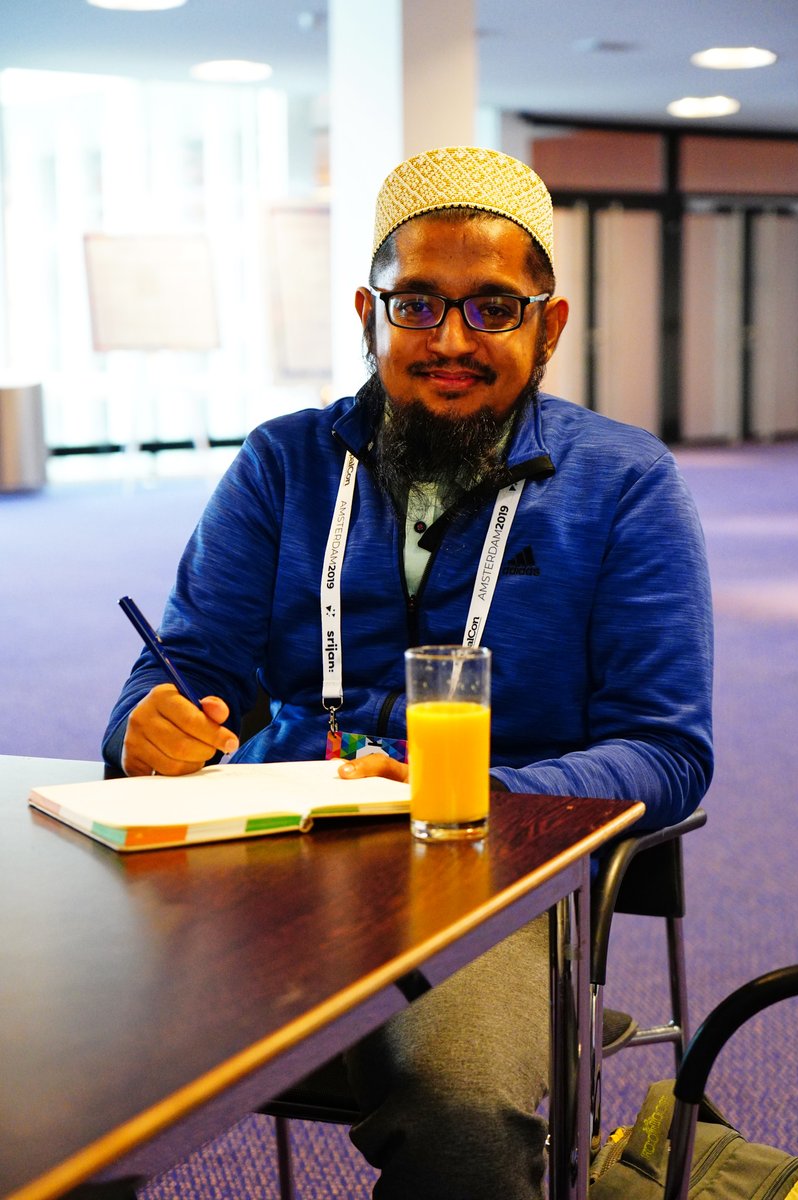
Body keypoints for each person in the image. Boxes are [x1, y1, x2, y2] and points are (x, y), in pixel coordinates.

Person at [103, 145, 713, 1198]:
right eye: (417, 305)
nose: (448, 341)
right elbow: (189, 661)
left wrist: (488, 792)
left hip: (496, 879)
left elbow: (664, 749)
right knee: (61, 1051)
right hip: (270, 864)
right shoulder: (281, 463)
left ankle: (528, 1023)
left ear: (548, 324)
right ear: (368, 312)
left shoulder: (623, 485)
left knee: (459, 1109)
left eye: (491, 309)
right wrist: (142, 722)